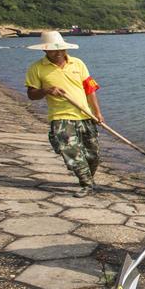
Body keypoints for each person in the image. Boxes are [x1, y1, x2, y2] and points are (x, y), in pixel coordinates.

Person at [25, 31, 103, 198]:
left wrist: (97, 112)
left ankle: (88, 179)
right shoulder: (37, 68)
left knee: (93, 154)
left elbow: (90, 89)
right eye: (53, 50)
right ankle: (87, 184)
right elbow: (31, 94)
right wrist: (47, 90)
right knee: (71, 152)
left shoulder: (78, 63)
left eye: (61, 49)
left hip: (85, 115)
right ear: (45, 50)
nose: (58, 52)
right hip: (61, 117)